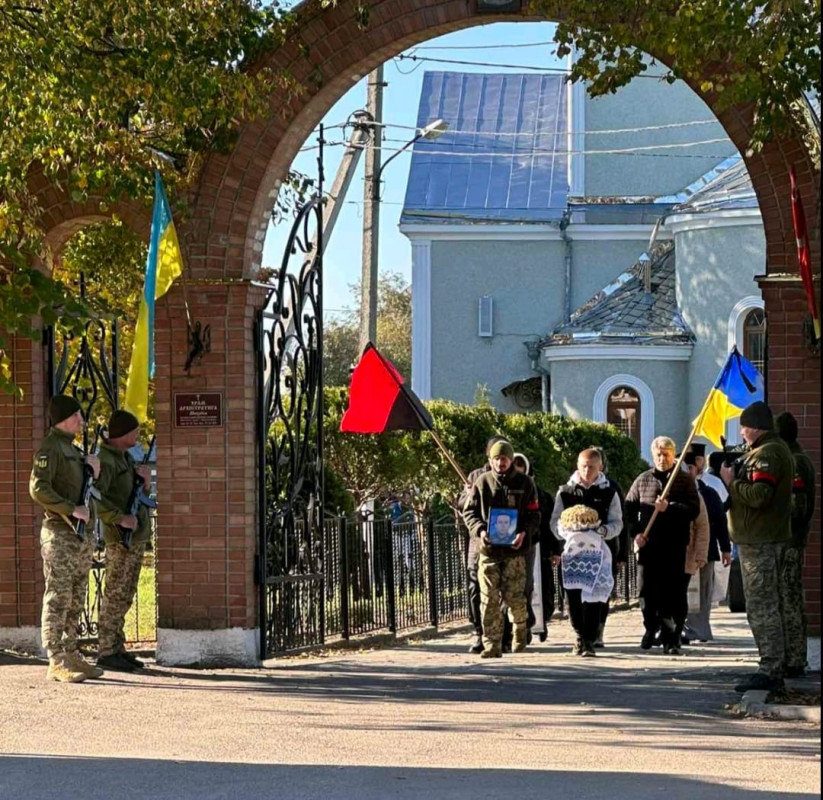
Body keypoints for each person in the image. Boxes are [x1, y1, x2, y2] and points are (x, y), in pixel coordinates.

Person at [720, 401, 794, 693]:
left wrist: (731, 483)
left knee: (762, 607)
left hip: (761, 542)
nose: (741, 432)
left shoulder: (768, 453)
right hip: (760, 539)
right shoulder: (768, 451)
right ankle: (772, 665)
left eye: (743, 426)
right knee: (765, 605)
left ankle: (771, 669)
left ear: (753, 427)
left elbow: (760, 495)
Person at [29, 395, 103, 683]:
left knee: (76, 595)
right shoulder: (50, 448)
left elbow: (77, 487)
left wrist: (92, 470)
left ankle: (71, 652)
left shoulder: (71, 450)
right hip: (59, 534)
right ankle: (56, 659)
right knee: (59, 595)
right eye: (77, 416)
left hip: (78, 537)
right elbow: (38, 489)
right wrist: (72, 510)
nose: (82, 421)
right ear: (64, 418)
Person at [463, 440, 539, 658]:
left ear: (511, 459)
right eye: (496, 459)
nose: (500, 463)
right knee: (488, 600)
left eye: (504, 459)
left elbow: (534, 514)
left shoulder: (525, 484)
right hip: (489, 552)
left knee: (515, 598)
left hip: (515, 552)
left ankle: (520, 631)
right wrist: (480, 531)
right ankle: (492, 644)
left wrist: (524, 532)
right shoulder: (482, 482)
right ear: (490, 460)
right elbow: (469, 512)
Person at [625, 436, 700, 654]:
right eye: (658, 453)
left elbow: (693, 510)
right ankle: (651, 626)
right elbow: (629, 509)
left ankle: (672, 638)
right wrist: (636, 533)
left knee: (673, 594)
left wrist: (671, 507)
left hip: (674, 546)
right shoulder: (642, 480)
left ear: (673, 454)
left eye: (666, 453)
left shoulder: (684, 481)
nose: (662, 458)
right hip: (649, 547)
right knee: (645, 593)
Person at [95, 410, 153, 672]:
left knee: (126, 594)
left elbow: (137, 494)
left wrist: (146, 483)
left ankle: (117, 647)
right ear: (121, 434)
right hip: (120, 538)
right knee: (116, 594)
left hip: (135, 535)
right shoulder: (107, 460)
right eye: (133, 431)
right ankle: (106, 651)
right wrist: (119, 518)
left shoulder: (126, 458)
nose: (137, 435)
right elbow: (97, 498)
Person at [550, 448, 623, 656]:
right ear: (577, 466)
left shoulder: (609, 491)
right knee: (573, 595)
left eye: (591, 466)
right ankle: (579, 636)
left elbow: (617, 522)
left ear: (600, 467)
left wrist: (603, 531)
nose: (587, 470)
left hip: (600, 553)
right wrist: (565, 531)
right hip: (573, 554)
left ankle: (590, 638)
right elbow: (555, 521)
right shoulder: (566, 491)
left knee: (595, 596)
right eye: (583, 466)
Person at [775, 411, 816, 677]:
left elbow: (797, 506)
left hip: (790, 541)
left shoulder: (795, 462)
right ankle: (793, 655)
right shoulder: (795, 459)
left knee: (788, 599)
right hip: (788, 539)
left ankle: (794, 658)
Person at [458, 435, 505, 654]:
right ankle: (480, 632)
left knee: (503, 590)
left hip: (505, 546)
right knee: (475, 589)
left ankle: (502, 634)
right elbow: (462, 506)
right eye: (496, 453)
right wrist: (468, 494)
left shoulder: (513, 477)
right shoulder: (476, 477)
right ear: (488, 454)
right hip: (479, 545)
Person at [682, 450, 731, 644]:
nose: (686, 472)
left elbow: (720, 521)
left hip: (705, 551)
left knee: (701, 594)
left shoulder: (709, 493)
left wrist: (725, 549)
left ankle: (699, 629)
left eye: (689, 468)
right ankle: (680, 628)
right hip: (680, 552)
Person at [677, 462, 710, 652]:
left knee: (680, 594)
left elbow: (703, 526)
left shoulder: (695, 496)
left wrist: (700, 554)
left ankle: (678, 628)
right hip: (661, 553)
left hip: (686, 552)